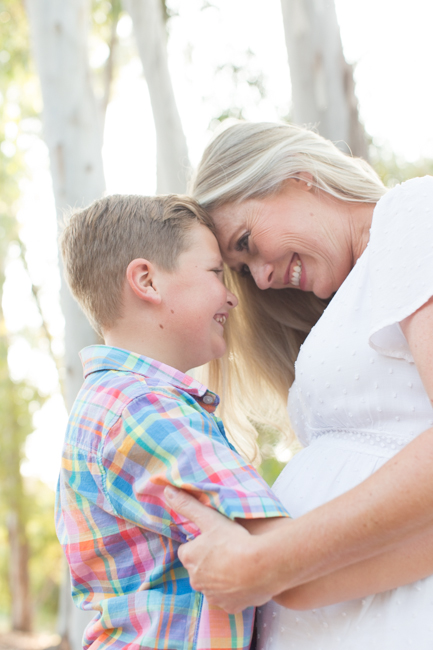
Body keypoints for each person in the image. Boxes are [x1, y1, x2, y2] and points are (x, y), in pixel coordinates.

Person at [164, 121, 433, 650]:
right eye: (241, 270)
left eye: (246, 243)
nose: (260, 279)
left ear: (297, 176)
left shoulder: (410, 213)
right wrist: (284, 579)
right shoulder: (359, 288)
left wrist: (269, 560)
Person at [55, 193, 289, 650]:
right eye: (216, 273)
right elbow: (273, 546)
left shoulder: (112, 402)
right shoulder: (142, 408)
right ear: (147, 280)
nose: (231, 297)